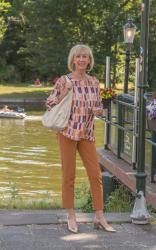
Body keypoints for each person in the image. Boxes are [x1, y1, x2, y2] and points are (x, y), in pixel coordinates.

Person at [46, 44, 116, 233]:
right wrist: (64, 92)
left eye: (85, 56)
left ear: (89, 60)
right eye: (79, 56)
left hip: (87, 134)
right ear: (73, 60)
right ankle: (71, 215)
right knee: (69, 176)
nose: (82, 60)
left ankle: (99, 216)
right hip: (67, 133)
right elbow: (50, 103)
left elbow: (98, 107)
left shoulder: (94, 82)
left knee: (96, 175)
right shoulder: (64, 80)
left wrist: (101, 110)